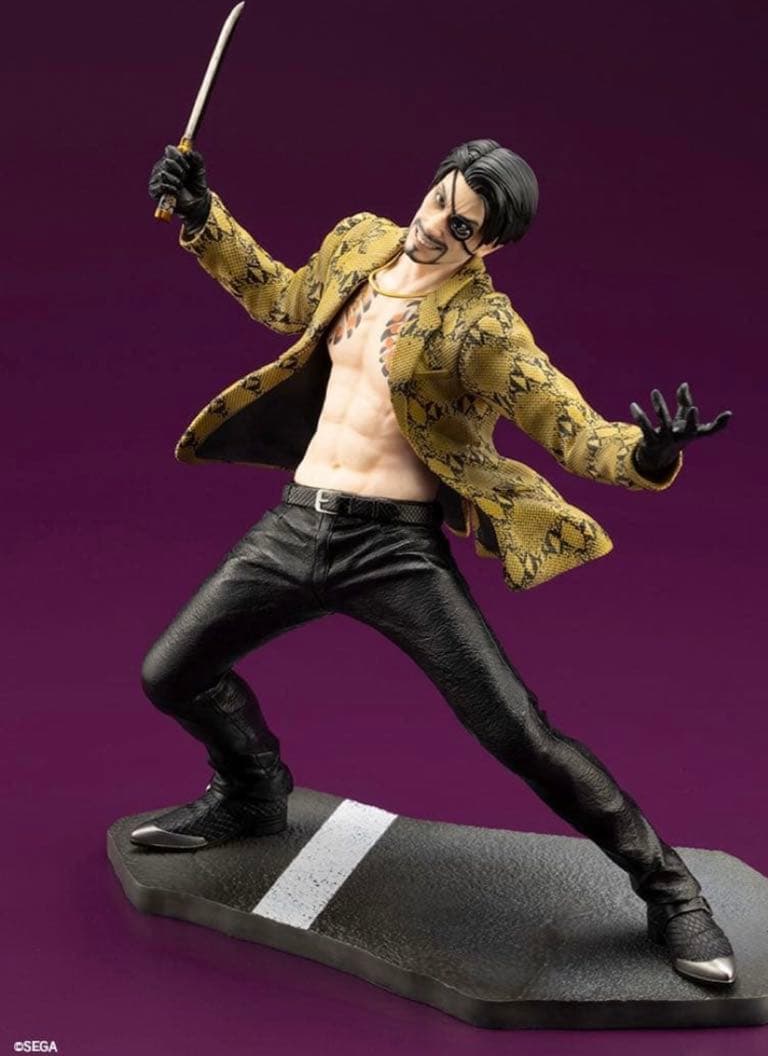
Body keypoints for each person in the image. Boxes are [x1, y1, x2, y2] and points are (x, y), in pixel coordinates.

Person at [134, 139, 735, 984]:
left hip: (394, 550)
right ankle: (253, 789)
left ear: (490, 245)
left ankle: (673, 892)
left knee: (517, 731)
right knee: (171, 673)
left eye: (463, 226)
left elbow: (572, 429)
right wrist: (203, 214)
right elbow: (278, 296)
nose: (434, 226)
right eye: (437, 200)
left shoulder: (485, 328)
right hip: (296, 525)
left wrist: (648, 452)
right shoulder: (359, 243)